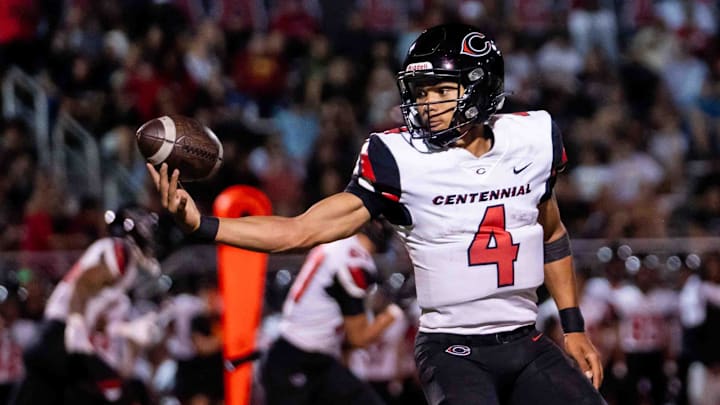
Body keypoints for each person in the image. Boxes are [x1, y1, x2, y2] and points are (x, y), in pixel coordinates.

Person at [148, 23, 606, 405]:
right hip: (452, 348)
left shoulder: (532, 138)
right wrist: (203, 225)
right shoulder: (399, 158)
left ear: (481, 89)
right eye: (422, 92)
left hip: (526, 339)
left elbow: (551, 233)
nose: (428, 105)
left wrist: (572, 326)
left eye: (443, 90)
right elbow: (301, 230)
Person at [11, 205, 162, 404]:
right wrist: (75, 321)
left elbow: (97, 318)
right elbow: (84, 282)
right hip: (58, 339)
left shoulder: (120, 256)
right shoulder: (120, 251)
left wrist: (127, 330)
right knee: (111, 389)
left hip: (56, 341)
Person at [259, 219, 402, 405]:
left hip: (310, 357)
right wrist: (394, 312)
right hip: (297, 358)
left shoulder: (337, 243)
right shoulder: (354, 262)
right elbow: (358, 338)